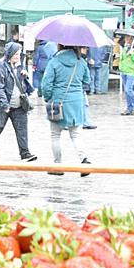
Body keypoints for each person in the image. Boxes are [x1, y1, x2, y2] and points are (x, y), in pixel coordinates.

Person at [41, 44, 92, 175]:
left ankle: (58, 166)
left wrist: (48, 98)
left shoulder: (54, 61)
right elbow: (87, 80)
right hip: (76, 102)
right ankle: (84, 160)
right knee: (75, 134)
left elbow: (46, 84)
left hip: (58, 102)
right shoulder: (81, 61)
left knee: (55, 135)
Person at [0, 41, 36, 162]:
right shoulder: (1, 65)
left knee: (22, 129)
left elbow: (21, 85)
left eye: (19, 54)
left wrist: (25, 77)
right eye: (16, 54)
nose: (18, 56)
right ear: (10, 53)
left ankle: (25, 153)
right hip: (3, 104)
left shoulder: (20, 65)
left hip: (19, 103)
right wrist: (4, 104)